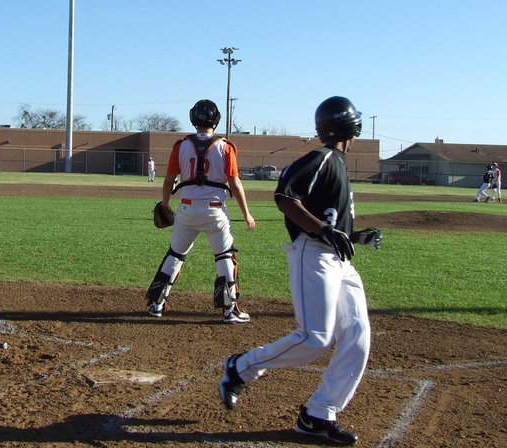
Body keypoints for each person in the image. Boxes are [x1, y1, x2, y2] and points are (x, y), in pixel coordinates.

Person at [218, 96, 382, 445]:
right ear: (352, 126)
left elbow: (330, 222)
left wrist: (355, 235)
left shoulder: (336, 162)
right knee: (316, 337)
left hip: (340, 262)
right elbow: (285, 197)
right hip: (313, 254)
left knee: (357, 335)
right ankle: (241, 368)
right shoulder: (322, 158)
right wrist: (323, 232)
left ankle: (318, 414)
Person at [145, 99, 255, 323]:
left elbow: (168, 181)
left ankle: (157, 304)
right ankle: (229, 309)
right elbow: (235, 184)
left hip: (187, 210)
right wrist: (246, 214)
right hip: (216, 212)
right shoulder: (226, 146)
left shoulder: (181, 145)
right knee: (224, 256)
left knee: (175, 255)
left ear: (193, 118)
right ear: (216, 120)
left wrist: (166, 203)